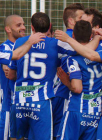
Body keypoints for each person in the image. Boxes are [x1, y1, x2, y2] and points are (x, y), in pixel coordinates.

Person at [7, 12, 77, 140]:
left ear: (32, 27)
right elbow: (78, 50)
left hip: (19, 101)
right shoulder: (56, 44)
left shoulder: (19, 42)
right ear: (50, 26)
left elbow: (11, 75)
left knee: (16, 137)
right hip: (41, 101)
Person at [56, 20, 102, 140]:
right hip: (95, 112)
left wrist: (67, 82)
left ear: (74, 35)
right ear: (90, 36)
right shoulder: (100, 52)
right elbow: (91, 54)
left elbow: (77, 88)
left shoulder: (73, 59)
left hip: (76, 110)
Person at [52, 3, 84, 139]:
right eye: (81, 17)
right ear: (71, 21)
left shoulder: (60, 40)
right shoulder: (72, 39)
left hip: (57, 93)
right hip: (66, 94)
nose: (85, 21)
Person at [0, 15, 26, 140]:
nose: (23, 28)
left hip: (24, 105)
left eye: (24, 24)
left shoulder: (25, 47)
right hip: (10, 105)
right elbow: (8, 71)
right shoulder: (5, 47)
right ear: (8, 29)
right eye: (19, 25)